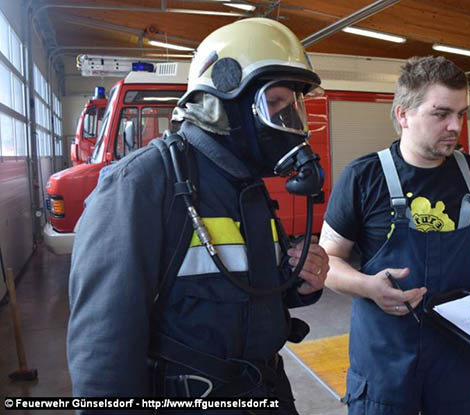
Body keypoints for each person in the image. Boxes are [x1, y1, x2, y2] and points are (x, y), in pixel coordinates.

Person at [67, 18, 329, 414]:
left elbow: (242, 290)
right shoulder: (140, 184)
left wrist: (297, 282)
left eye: (291, 107)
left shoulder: (248, 185)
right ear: (223, 101)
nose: (287, 122)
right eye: (274, 104)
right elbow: (103, 355)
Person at [319, 56, 470, 415]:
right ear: (403, 115)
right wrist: (367, 287)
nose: (455, 126)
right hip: (386, 357)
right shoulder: (363, 176)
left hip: (460, 353)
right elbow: (328, 261)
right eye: (441, 113)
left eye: (461, 113)